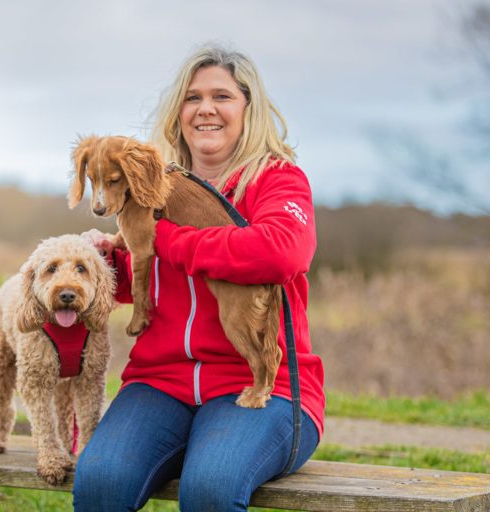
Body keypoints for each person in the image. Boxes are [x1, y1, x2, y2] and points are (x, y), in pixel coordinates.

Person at [72, 44, 325, 512]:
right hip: (160, 382)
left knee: (211, 487)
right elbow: (143, 281)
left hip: (263, 387)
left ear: (249, 108)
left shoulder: (278, 179)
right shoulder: (148, 185)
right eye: (192, 98)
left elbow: (279, 252)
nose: (205, 109)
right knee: (100, 482)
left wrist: (164, 239)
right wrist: (105, 261)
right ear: (178, 112)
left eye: (222, 97)